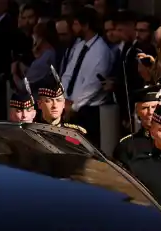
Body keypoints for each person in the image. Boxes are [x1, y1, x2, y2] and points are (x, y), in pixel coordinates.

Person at [60, 6, 112, 142]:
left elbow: (93, 85)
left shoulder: (101, 50)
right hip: (69, 106)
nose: (73, 27)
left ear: (86, 25)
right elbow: (68, 73)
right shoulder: (79, 45)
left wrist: (74, 106)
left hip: (88, 110)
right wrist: (63, 98)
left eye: (76, 24)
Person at [112, 85, 160, 167]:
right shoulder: (127, 145)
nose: (150, 112)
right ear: (137, 112)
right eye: (145, 108)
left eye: (154, 107)